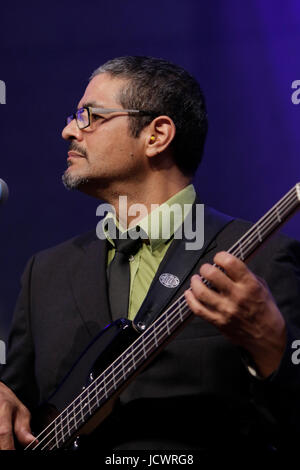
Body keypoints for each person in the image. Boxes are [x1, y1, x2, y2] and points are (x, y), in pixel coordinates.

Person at [0, 56, 300, 454]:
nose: (68, 130)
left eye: (89, 115)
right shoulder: (45, 272)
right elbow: (15, 407)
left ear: (157, 135)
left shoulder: (261, 256)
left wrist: (271, 346)